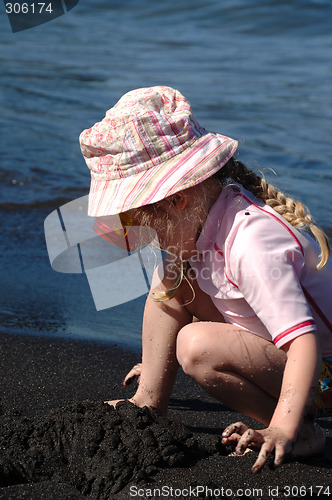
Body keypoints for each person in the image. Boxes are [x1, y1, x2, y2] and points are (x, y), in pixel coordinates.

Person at [79, 86, 332, 473]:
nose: (141, 235)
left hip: (323, 374)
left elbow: (304, 342)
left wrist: (281, 427)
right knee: (171, 280)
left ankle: (302, 432)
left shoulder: (251, 244)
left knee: (196, 347)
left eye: (138, 221)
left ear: (178, 201)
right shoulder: (212, 218)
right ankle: (149, 402)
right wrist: (154, 364)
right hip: (286, 353)